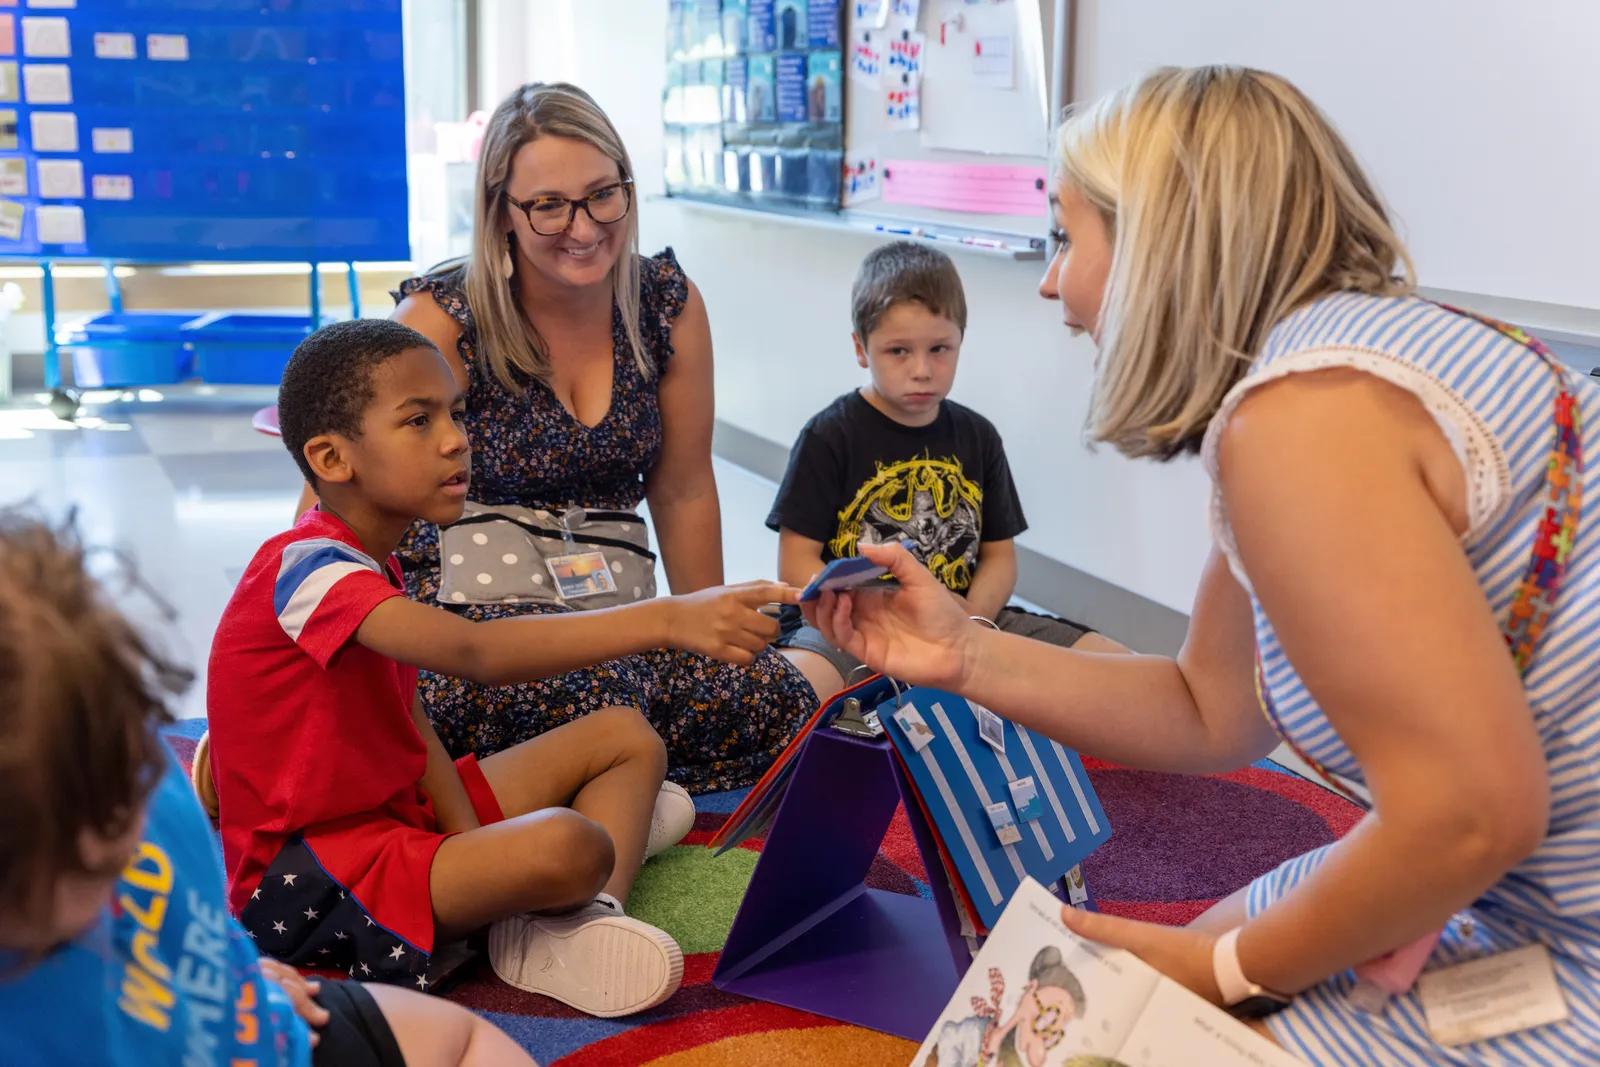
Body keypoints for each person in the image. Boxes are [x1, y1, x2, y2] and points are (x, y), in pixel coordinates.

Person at [808, 66, 1600, 1063]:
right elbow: (1208, 703)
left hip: (1560, 935)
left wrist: (1225, 974)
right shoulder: (1353, 363)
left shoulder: (1299, 424)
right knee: (1145, 987)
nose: (1051, 282)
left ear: (1158, 238)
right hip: (1522, 883)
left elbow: (1469, 813)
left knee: (1104, 1026)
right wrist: (966, 649)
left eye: (1064, 237)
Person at [212, 319, 796, 1018]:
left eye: (456, 413)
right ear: (332, 458)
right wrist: (667, 617)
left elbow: (411, 716)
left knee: (626, 735)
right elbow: (474, 653)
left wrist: (472, 846)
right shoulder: (309, 568)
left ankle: (583, 917)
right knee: (575, 841)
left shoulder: (373, 557)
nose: (457, 437)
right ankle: (583, 869)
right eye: (418, 420)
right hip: (313, 877)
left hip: (396, 820)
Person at [296, 82, 818, 794]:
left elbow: (684, 485)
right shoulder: (443, 319)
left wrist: (714, 633)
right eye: (548, 205)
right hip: (474, 624)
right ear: (500, 213)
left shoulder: (665, 302)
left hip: (612, 617)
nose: (583, 225)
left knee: (767, 698)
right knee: (595, 695)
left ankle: (594, 784)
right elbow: (328, 505)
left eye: (604, 194)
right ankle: (601, 783)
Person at [0, 509, 538, 1067]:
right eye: (62, 858)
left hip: (267, 1021)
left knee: (464, 1038)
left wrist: (243, 970)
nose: (117, 843)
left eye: (120, 795)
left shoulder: (144, 784)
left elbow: (192, 921)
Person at [769, 240, 1125, 700]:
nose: (922, 370)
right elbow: (796, 562)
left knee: (1117, 666)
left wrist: (971, 623)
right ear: (861, 349)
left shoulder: (979, 436)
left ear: (960, 340)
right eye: (898, 351)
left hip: (967, 618)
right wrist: (872, 611)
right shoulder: (829, 435)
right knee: (791, 694)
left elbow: (999, 557)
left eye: (940, 348)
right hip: (854, 628)